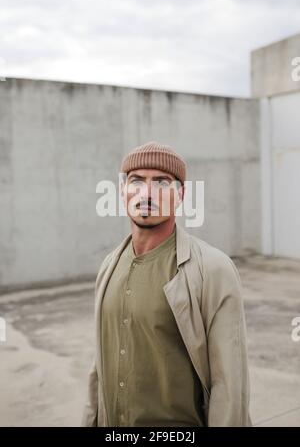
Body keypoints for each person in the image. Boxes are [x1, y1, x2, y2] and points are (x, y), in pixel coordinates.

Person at [81, 141, 252, 427]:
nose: (147, 193)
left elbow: (230, 386)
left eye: (161, 182)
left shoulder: (213, 269)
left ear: (181, 195)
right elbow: (99, 369)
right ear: (123, 192)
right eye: (136, 181)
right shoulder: (109, 266)